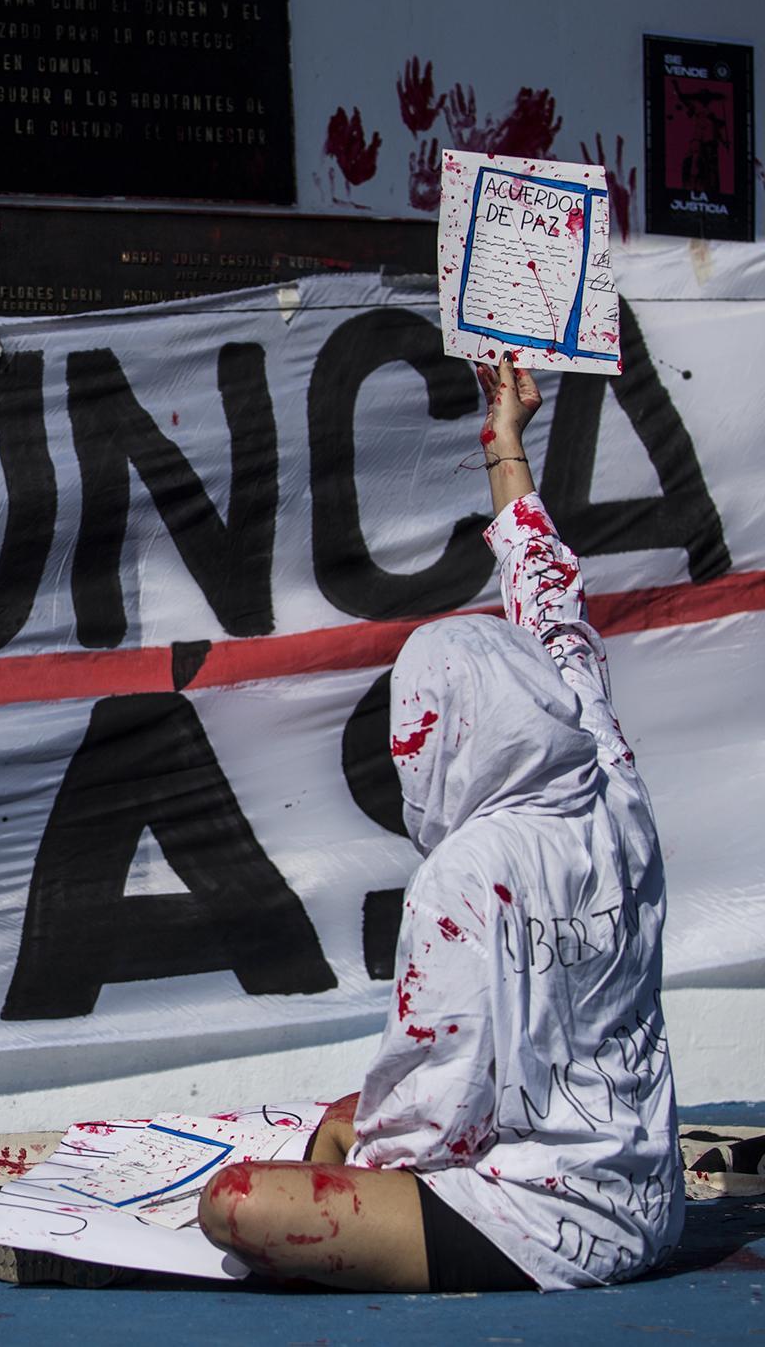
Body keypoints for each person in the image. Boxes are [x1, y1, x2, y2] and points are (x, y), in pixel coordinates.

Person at [193, 355, 685, 1292]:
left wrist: (341, 1162)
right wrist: (509, 452)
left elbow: (432, 1126)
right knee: (344, 1113)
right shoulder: (609, 775)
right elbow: (553, 612)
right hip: (649, 1199)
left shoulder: (466, 875)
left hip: (543, 1223)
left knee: (241, 1202)